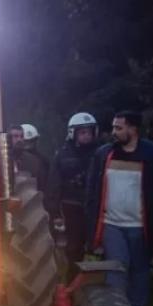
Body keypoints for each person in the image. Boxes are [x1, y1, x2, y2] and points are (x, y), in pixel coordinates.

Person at [86, 111, 153, 306]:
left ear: (133, 129)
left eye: (119, 128)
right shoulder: (104, 154)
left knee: (139, 268)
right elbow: (92, 189)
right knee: (116, 267)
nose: (114, 132)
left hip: (140, 225)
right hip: (111, 224)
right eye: (113, 127)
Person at [45, 113, 100, 279]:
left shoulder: (101, 153)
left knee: (96, 244)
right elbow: (53, 184)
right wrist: (54, 212)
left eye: (89, 132)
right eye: (82, 132)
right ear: (73, 133)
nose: (86, 136)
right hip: (71, 207)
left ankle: (95, 280)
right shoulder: (62, 155)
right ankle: (72, 281)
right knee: (73, 247)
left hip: (95, 208)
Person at [10, 123, 49, 192]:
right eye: (15, 136)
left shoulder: (36, 161)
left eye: (22, 136)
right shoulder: (3, 160)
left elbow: (42, 187)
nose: (19, 140)